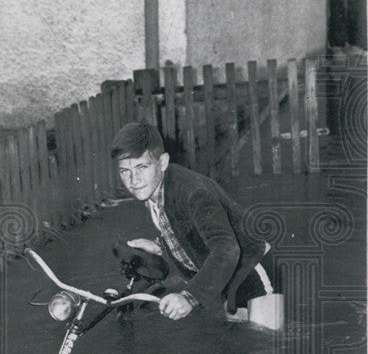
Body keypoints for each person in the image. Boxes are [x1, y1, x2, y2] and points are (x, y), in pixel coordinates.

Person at [110, 121, 273, 321]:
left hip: (253, 268)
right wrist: (159, 246)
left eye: (141, 167)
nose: (133, 180)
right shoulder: (156, 190)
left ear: (162, 162)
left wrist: (189, 297)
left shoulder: (192, 193)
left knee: (265, 344)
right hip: (225, 278)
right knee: (239, 342)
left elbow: (227, 248)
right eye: (124, 171)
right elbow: (186, 227)